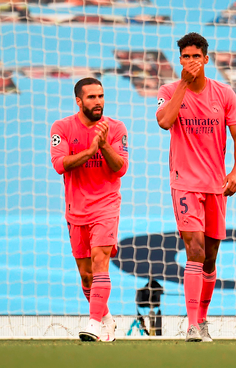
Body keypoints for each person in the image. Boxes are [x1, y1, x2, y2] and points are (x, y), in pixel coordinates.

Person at [156, 33, 236, 342]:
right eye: (186, 57)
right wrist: (182, 84)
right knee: (193, 248)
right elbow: (164, 122)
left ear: (206, 59)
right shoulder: (169, 90)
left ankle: (203, 319)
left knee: (210, 257)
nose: (192, 62)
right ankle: (192, 325)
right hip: (184, 183)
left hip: (216, 186)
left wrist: (235, 172)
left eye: (197, 56)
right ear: (179, 60)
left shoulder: (223, 94)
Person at [50, 78, 129, 342]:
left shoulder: (115, 129)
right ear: (79, 101)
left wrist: (104, 145)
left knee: (100, 263)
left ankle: (93, 323)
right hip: (76, 210)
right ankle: (106, 319)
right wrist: (89, 151)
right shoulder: (61, 127)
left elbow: (121, 168)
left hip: (106, 205)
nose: (98, 102)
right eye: (92, 97)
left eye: (101, 96)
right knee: (86, 277)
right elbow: (60, 164)